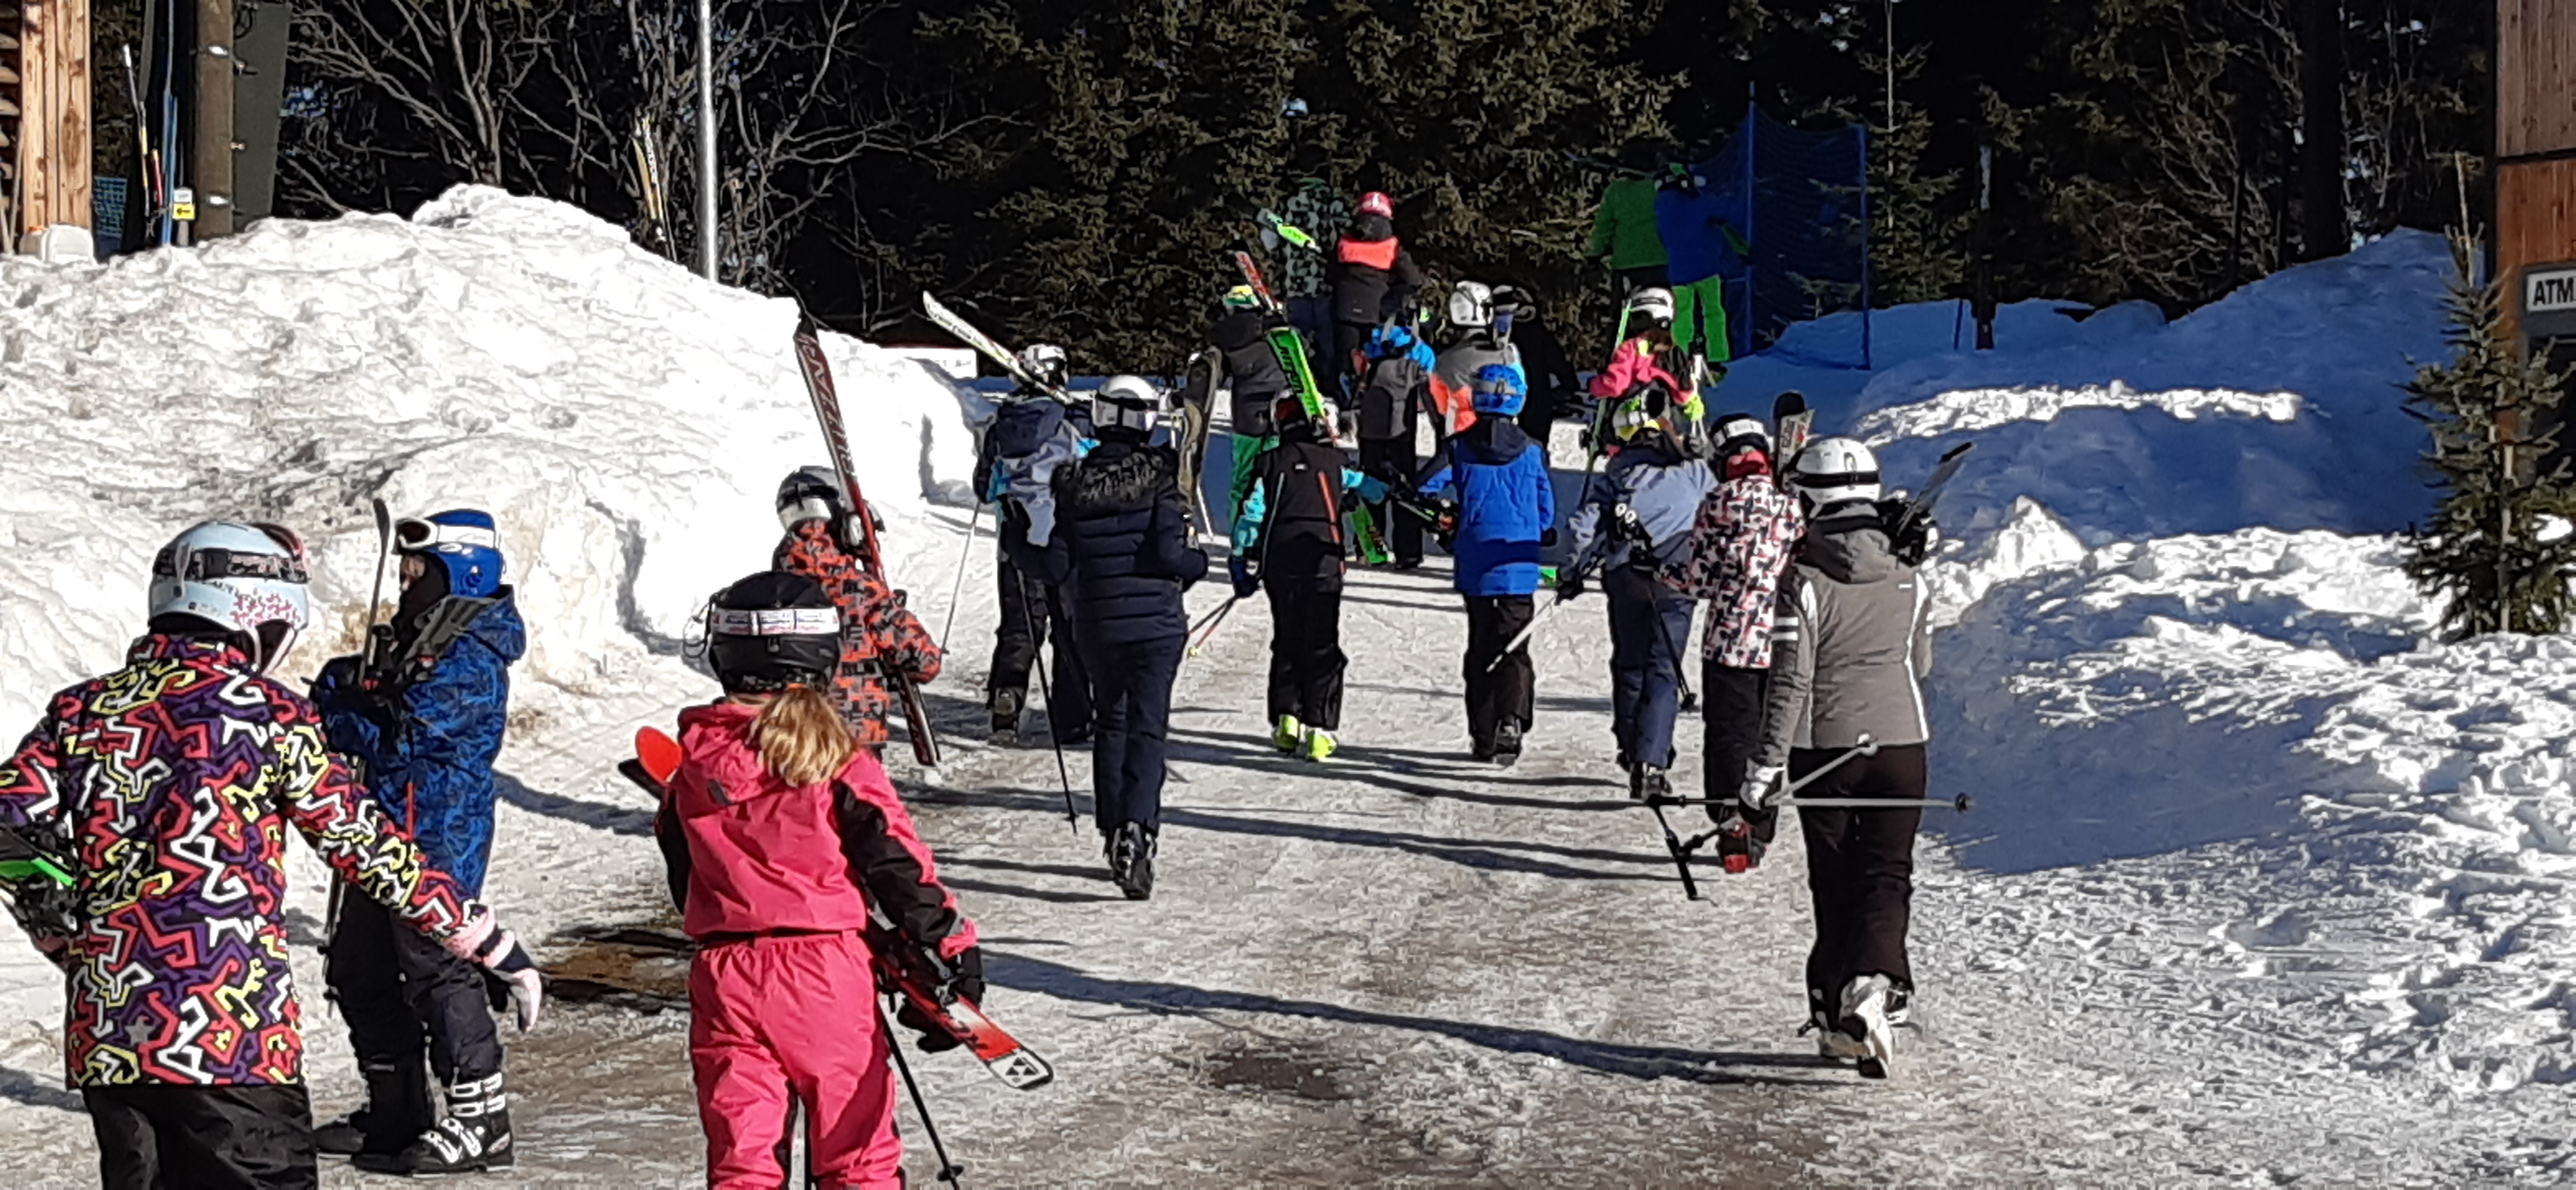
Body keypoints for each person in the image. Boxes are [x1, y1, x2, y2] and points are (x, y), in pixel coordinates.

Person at [0, 521, 542, 1188]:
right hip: (230, 1035)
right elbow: (365, 844)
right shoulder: (264, 715)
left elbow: (9, 827)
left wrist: (67, 935)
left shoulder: (82, 710)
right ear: (254, 613)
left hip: (112, 1040)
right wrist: (482, 937)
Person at [654, 570, 983, 1189]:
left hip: (726, 976)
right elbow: (898, 865)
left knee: (742, 1162)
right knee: (855, 1153)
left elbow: (684, 882)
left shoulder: (694, 767)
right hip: (825, 975)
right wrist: (947, 948)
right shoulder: (837, 762)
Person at [309, 509, 530, 1173]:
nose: (407, 583)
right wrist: (348, 684)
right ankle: (396, 1105)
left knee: (434, 958)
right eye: (404, 571)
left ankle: (482, 1116)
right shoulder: (419, 637)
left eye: (420, 571)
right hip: (379, 827)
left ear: (461, 572)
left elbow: (404, 735)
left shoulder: (474, 653)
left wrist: (340, 713)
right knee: (357, 962)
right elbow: (368, 692)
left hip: (439, 826)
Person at [1748, 437, 1934, 1079]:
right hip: (1903, 745)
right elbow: (1921, 661)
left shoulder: (1802, 576)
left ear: (1809, 497)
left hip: (1825, 749)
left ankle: (1839, 1009)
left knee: (1834, 876)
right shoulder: (1911, 570)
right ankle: (1873, 986)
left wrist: (1762, 770)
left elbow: (1789, 682)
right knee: (1887, 872)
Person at [1034, 376, 1210, 898]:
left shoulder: (1074, 484)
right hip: (1156, 626)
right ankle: (1138, 829)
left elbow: (1056, 565)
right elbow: (1169, 555)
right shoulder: (1159, 477)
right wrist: (1199, 563)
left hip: (1097, 625)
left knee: (1111, 724)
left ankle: (1114, 831)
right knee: (1147, 729)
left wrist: (1019, 537)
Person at [1659, 413, 1804, 866]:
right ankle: (1761, 826)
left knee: (1728, 734)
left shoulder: (1717, 503)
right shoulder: (1791, 506)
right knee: (1770, 736)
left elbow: (1699, 580)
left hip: (1729, 642)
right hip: (1784, 642)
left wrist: (1665, 573)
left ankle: (1730, 820)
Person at [1562, 399, 1716, 801]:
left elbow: (1584, 526)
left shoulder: (1619, 473)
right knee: (1663, 670)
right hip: (1676, 582)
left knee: (1630, 664)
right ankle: (1652, 761)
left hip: (1626, 578)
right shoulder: (1696, 472)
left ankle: (1632, 748)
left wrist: (1572, 571)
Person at [1233, 396, 1389, 761]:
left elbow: (1252, 512)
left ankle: (1287, 719)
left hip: (1280, 564)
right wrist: (1383, 487)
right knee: (1322, 642)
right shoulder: (1335, 462)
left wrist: (1240, 556)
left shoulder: (1270, 462)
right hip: (1323, 564)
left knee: (1288, 638)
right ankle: (1319, 727)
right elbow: (1372, 488)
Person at [1417, 366, 1554, 764]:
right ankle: (1512, 717)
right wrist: (1539, 530)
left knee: (1480, 645)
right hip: (1517, 562)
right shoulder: (1532, 450)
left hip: (1475, 561)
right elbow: (1546, 512)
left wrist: (1447, 515)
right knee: (1514, 644)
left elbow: (1423, 486)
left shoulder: (1459, 447)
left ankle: (1483, 736)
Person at [774, 467, 944, 754]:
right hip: (854, 739)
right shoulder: (860, 591)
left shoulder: (771, 592)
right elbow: (925, 660)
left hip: (785, 738)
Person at [973, 343, 1094, 746]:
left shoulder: (1002, 424)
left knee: (1020, 626)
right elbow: (1092, 474)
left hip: (1016, 543)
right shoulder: (1075, 421)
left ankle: (1007, 699)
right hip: (1065, 541)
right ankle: (1073, 718)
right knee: (1069, 628)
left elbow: (985, 488)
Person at [1186, 285, 1294, 525]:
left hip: (1246, 416)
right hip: (1281, 411)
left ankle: (1240, 530)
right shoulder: (1277, 329)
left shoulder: (1221, 338)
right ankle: (1272, 530)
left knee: (1245, 478)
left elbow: (1216, 376)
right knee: (1277, 475)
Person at [1354, 311, 1437, 568]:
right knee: (1405, 494)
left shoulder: (1371, 350)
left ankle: (1369, 549)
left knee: (1371, 490)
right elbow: (1430, 390)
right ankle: (1408, 553)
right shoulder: (1418, 355)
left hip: (1371, 433)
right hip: (1402, 434)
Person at [1325, 191, 1424, 394]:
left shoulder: (1343, 242)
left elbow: (1331, 274)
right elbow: (1413, 280)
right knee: (1375, 361)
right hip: (1377, 313)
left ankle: (1342, 399)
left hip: (1345, 311)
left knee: (1344, 361)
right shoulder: (1392, 246)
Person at [1589, 287, 1704, 453]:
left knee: (1616, 446)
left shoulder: (1631, 348)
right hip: (1661, 426)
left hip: (1628, 424)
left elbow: (1616, 385)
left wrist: (1595, 386)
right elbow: (1684, 394)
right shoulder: (1675, 353)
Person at [1653, 162, 1739, 371]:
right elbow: (1725, 210)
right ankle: (1718, 355)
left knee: (1682, 317)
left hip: (1678, 271)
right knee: (1714, 313)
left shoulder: (1661, 205)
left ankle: (1680, 357)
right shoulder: (1699, 200)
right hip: (1708, 267)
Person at [1428, 281, 1526, 441]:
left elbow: (1440, 404)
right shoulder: (1508, 354)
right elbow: (1521, 391)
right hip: (1506, 436)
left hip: (1462, 437)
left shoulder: (1446, 360)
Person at [1490, 284, 1580, 445]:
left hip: (1502, 399)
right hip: (1535, 399)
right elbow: (1558, 363)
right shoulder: (1538, 334)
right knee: (1534, 443)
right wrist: (1569, 386)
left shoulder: (1493, 336)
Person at [1273, 177, 1352, 349]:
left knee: (1298, 342)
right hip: (1325, 282)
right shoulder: (1334, 203)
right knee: (1327, 340)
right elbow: (1348, 237)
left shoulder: (1286, 203)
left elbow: (1273, 243)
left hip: (1296, 284)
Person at [1588, 168, 1670, 292]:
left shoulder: (1616, 191)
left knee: (1622, 303)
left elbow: (1603, 228)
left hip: (1626, 266)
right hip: (1663, 262)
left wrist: (1594, 254)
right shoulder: (1663, 189)